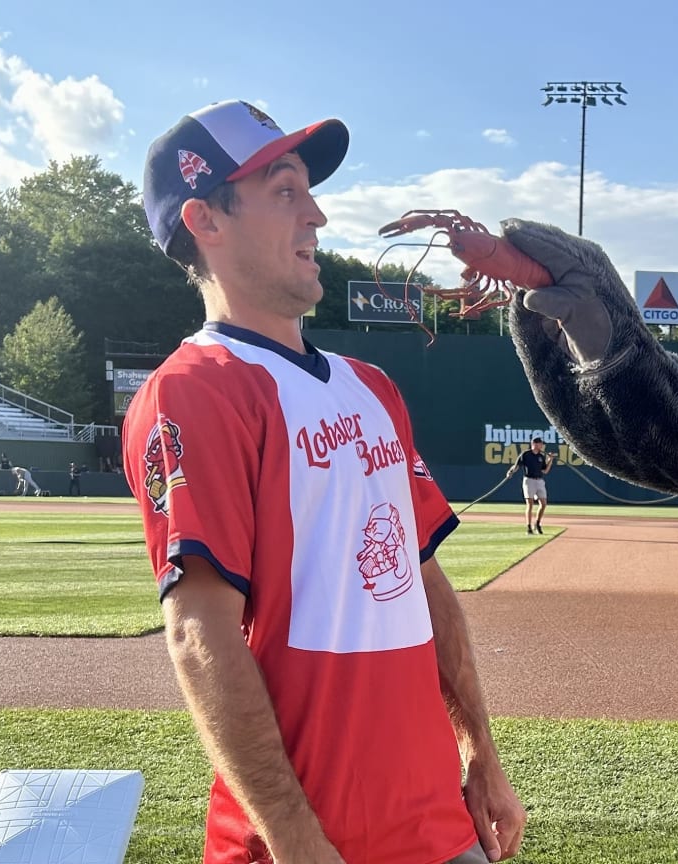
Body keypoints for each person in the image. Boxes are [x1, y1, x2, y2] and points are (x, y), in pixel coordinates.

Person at [122, 98, 523, 864]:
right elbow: (199, 633)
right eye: (284, 191)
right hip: (303, 845)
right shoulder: (194, 392)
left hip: (439, 826)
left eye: (307, 191)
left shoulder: (372, 386)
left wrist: (482, 751)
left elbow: (423, 580)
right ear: (205, 220)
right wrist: (298, 840)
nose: (317, 216)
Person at [505, 437, 554, 534]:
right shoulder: (526, 454)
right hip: (529, 480)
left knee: (543, 503)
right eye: (540, 444)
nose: (542, 446)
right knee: (530, 504)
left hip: (539, 480)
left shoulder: (541, 456)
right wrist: (510, 472)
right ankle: (529, 527)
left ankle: (538, 523)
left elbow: (545, 470)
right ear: (535, 444)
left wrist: (550, 460)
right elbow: (517, 466)